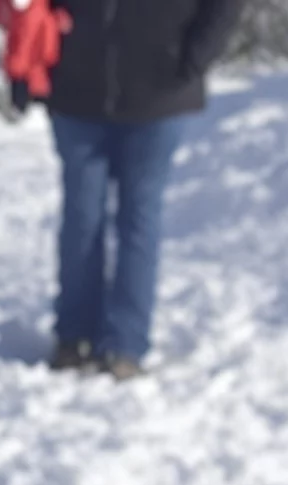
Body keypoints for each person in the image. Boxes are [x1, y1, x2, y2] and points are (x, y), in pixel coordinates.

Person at [37, 0, 243, 377]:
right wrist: (29, 65)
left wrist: (194, 59)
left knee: (139, 216)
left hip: (160, 94)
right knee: (82, 215)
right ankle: (74, 336)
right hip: (75, 89)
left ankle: (125, 345)